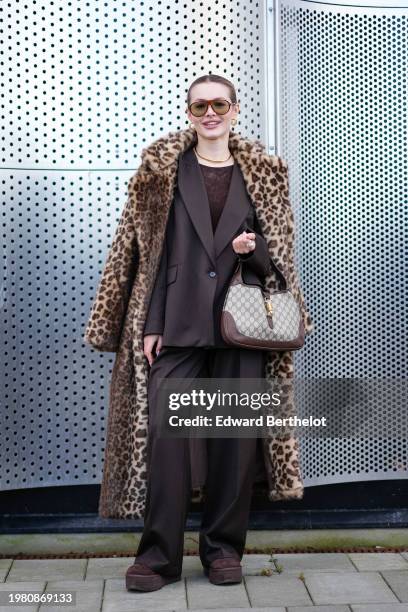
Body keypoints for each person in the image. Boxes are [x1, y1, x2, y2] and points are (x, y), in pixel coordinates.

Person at [125, 74, 274, 592]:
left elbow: (279, 264)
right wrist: (153, 322)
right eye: (199, 105)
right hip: (181, 322)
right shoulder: (167, 171)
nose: (209, 112)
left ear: (235, 111)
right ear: (190, 113)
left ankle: (222, 551)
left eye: (219, 104)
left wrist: (249, 250)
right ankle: (159, 557)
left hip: (241, 326)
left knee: (236, 444)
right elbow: (152, 255)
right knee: (167, 441)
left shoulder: (263, 175)